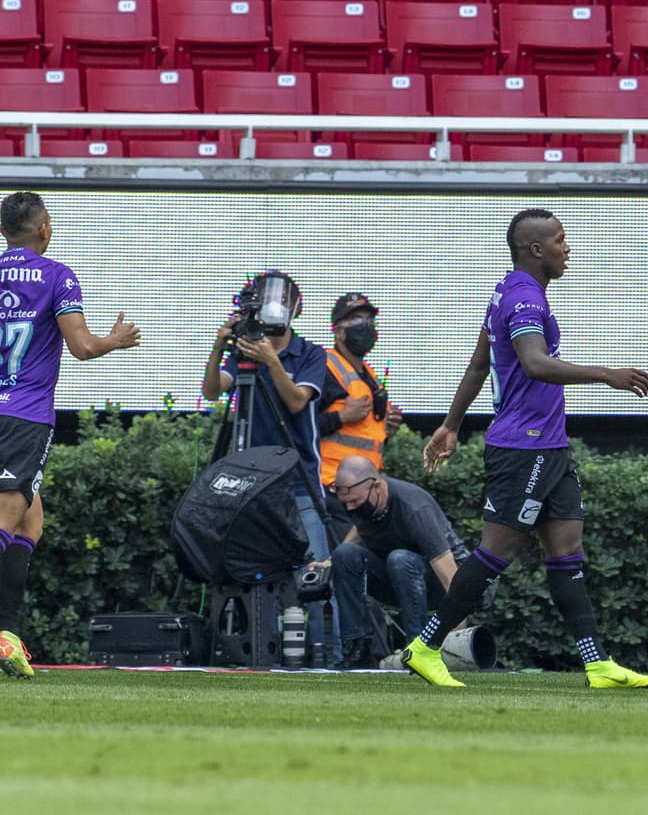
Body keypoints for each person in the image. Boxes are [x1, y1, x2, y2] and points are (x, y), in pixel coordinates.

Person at [407, 208, 648, 688]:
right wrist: (607, 374)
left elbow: (480, 366)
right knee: (495, 553)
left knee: (567, 552)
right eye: (562, 241)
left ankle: (598, 664)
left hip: (551, 446)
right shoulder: (524, 299)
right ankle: (425, 646)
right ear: (536, 249)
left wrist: (450, 426)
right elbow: (536, 364)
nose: (569, 248)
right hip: (524, 448)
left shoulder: (506, 290)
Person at [0, 191, 141, 682]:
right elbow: (81, 347)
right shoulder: (57, 275)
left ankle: (8, 638)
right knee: (1, 520)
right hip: (26, 417)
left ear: (4, 230)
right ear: (44, 229)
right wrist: (115, 340)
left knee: (29, 523)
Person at [202, 271, 340, 667]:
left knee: (315, 570)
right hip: (250, 482)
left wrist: (272, 362)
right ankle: (259, 648)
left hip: (298, 480)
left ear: (294, 308)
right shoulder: (243, 352)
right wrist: (219, 347)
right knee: (254, 566)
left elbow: (298, 402)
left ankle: (325, 655)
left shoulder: (310, 354)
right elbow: (213, 390)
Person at [326, 455, 472, 668]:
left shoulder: (414, 509)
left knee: (400, 559)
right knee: (344, 554)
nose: (350, 509)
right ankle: (357, 651)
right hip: (400, 578)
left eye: (355, 502)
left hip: (449, 583)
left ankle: (418, 649)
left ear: (377, 486)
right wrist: (330, 562)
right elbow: (360, 528)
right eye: (345, 503)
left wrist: (456, 645)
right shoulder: (364, 502)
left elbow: (453, 580)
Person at [317, 292, 402, 487]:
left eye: (370, 320)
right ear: (338, 331)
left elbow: (363, 435)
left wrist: (386, 427)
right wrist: (341, 417)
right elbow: (299, 426)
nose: (366, 326)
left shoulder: (371, 376)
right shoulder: (324, 367)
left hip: (367, 485)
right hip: (330, 483)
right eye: (356, 319)